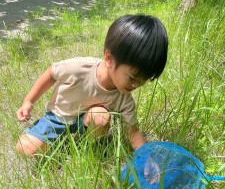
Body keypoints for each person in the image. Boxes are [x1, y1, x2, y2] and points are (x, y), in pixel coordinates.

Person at [16, 14, 168, 157]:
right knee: (24, 149)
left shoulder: (125, 100)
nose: (137, 84)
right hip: (59, 117)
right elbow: (51, 73)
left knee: (100, 115)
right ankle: (57, 140)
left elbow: (133, 132)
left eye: (144, 80)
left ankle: (85, 146)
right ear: (109, 58)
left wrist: (145, 157)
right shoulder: (79, 68)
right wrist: (29, 100)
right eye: (133, 77)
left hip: (87, 123)